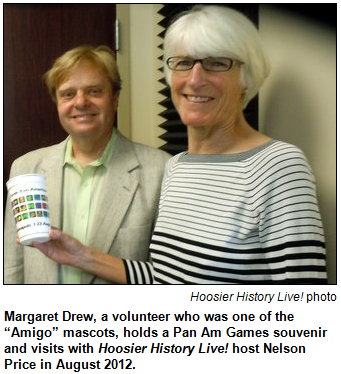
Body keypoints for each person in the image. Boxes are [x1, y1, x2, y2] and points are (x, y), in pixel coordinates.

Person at [30, 5, 327, 284]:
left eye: (216, 63)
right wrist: (81, 255)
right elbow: (165, 277)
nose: (195, 79)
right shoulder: (177, 166)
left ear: (246, 79)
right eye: (183, 63)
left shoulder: (279, 167)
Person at [4, 45, 170, 284]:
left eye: (93, 91)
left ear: (115, 98)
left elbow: (168, 276)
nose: (81, 102)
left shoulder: (160, 170)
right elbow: (12, 266)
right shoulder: (25, 168)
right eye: (68, 94)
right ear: (57, 102)